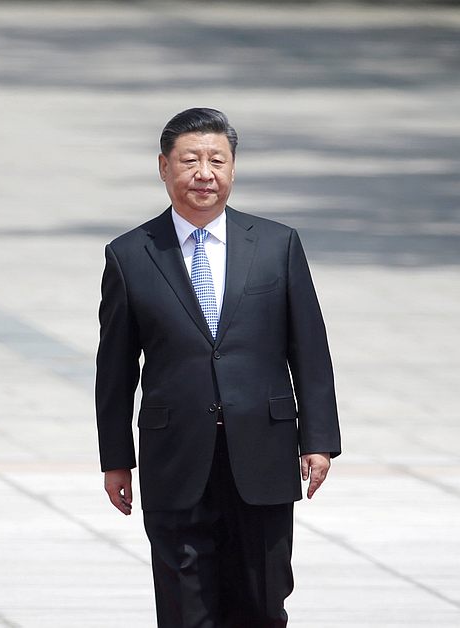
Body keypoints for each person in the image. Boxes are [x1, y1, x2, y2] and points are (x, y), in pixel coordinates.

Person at [95, 108, 341, 627]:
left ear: (232, 168)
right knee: (185, 606)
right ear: (164, 167)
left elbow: (310, 349)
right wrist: (115, 459)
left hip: (263, 450)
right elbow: (115, 370)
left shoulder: (276, 244)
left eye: (217, 160)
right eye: (190, 161)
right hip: (174, 455)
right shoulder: (130, 255)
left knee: (263, 600)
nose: (204, 173)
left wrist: (318, 440)